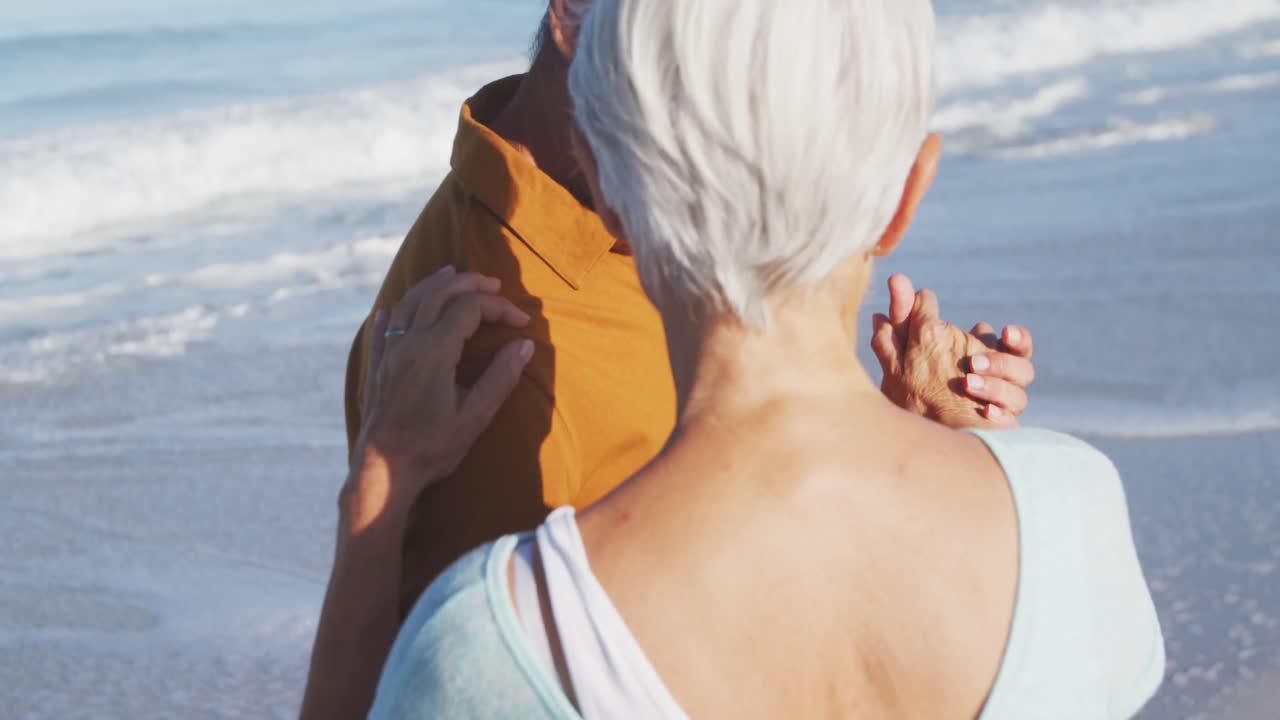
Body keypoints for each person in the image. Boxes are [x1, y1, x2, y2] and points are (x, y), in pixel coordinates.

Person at [345, 0, 1165, 717]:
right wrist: (916, 457)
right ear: (907, 197)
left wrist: (378, 490)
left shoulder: (500, 632)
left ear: (607, 188)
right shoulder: (1078, 513)